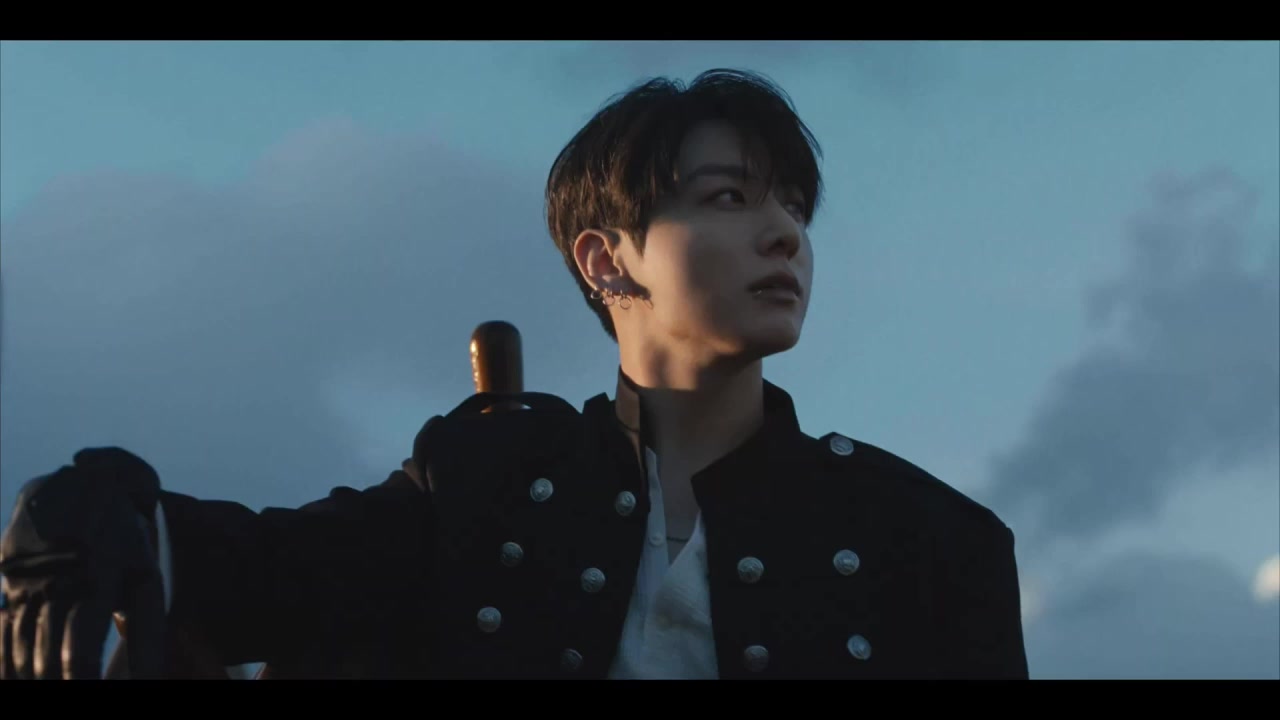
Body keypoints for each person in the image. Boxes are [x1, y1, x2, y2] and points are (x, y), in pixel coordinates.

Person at [0, 68, 1029, 680]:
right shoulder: (483, 486)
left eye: (793, 209)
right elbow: (269, 572)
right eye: (728, 198)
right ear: (606, 260)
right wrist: (89, 516)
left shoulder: (929, 542)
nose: (783, 236)